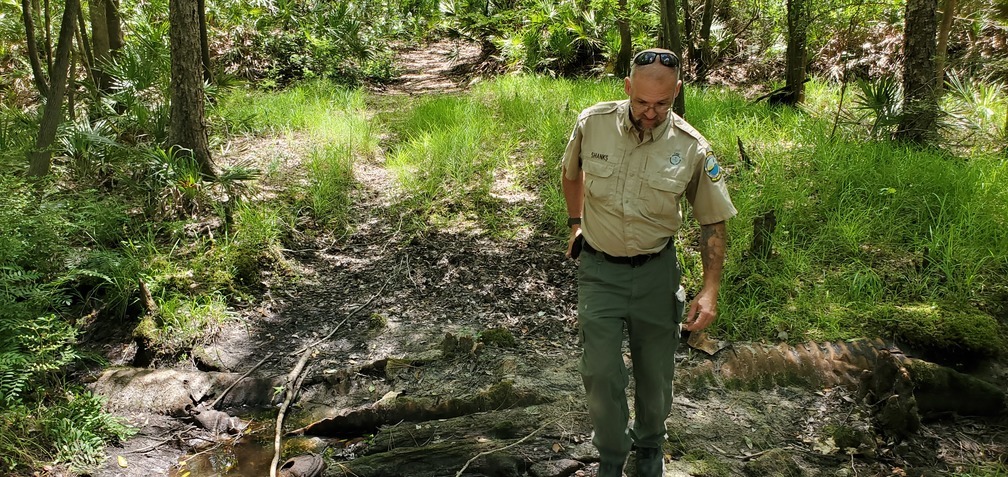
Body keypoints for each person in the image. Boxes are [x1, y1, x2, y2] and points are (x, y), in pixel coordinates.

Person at [560, 48, 736, 477]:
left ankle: (650, 445)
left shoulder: (691, 147)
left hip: (657, 272)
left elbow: (713, 220)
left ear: (676, 92)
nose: (651, 112)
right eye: (641, 102)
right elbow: (571, 173)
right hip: (599, 271)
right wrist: (575, 223)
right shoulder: (593, 124)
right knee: (600, 372)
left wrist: (710, 290)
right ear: (627, 89)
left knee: (655, 373)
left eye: (662, 103)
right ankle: (612, 455)